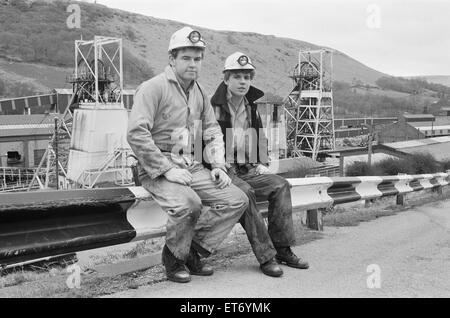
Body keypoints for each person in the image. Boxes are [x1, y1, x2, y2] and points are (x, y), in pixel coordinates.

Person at [127, 28, 248, 283]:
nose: (193, 64)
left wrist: (217, 165)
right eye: (186, 58)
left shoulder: (199, 92)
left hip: (187, 163)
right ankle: (173, 260)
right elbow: (137, 133)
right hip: (156, 167)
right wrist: (166, 169)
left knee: (236, 199)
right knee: (190, 203)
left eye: (197, 59)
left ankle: (191, 251)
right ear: (172, 59)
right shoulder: (153, 88)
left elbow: (212, 130)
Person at [209, 52, 309, 277]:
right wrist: (214, 166)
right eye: (237, 77)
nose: (243, 81)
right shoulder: (211, 106)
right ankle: (266, 256)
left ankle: (283, 249)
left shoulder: (251, 106)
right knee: (246, 194)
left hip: (246, 168)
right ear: (226, 79)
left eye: (247, 76)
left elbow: (260, 136)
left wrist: (262, 162)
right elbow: (200, 140)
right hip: (223, 170)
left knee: (280, 185)